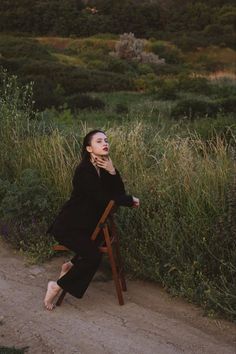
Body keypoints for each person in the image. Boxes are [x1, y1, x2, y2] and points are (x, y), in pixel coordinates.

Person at [44, 129, 140, 310]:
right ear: (89, 148)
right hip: (69, 227)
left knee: (107, 235)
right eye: (99, 141)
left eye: (106, 140)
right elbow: (101, 198)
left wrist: (112, 171)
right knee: (93, 256)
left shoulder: (102, 168)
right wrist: (128, 200)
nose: (105, 143)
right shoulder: (84, 171)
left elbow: (117, 193)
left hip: (87, 226)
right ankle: (56, 285)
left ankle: (70, 265)